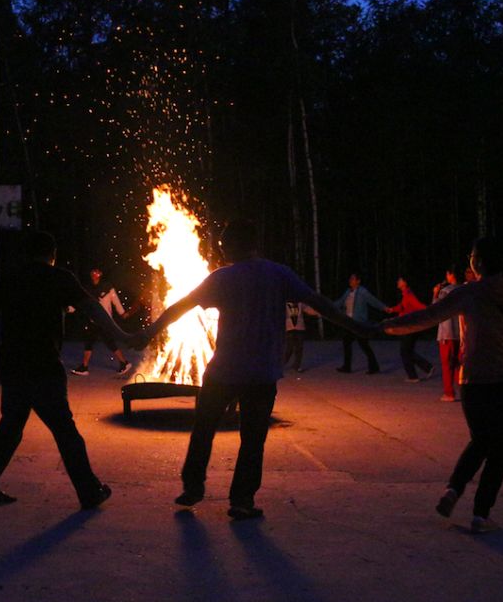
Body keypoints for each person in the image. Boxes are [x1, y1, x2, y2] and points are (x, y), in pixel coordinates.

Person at [141, 220, 375, 520]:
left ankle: (193, 487)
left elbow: (181, 306)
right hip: (261, 373)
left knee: (203, 430)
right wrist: (357, 327)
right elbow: (319, 302)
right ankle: (242, 500)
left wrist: (147, 333)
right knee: (252, 440)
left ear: (228, 247)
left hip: (223, 371)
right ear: (254, 245)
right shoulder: (278, 274)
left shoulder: (222, 277)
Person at [373, 239, 503, 533]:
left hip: (475, 382)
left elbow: (426, 317)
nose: (470, 260)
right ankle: (480, 514)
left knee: (481, 441)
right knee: (500, 450)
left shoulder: (467, 294)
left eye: (472, 256)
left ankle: (453, 489)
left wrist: (385, 327)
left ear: (480, 262)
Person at [0, 231, 140, 509]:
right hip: (43, 365)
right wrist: (125, 335)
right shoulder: (60, 278)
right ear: (53, 254)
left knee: (11, 427)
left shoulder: (12, 278)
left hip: (12, 364)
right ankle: (89, 492)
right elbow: (94, 310)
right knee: (65, 431)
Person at [71, 267, 133, 376]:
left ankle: (124, 363)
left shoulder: (107, 287)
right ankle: (84, 367)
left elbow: (115, 300)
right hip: (93, 320)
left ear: (101, 273)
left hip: (104, 320)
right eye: (92, 271)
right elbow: (80, 301)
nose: (94, 274)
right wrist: (70, 309)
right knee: (89, 341)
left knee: (108, 342)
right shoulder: (87, 288)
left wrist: (122, 312)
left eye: (97, 272)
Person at [333, 273, 386, 374]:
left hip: (359, 323)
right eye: (350, 278)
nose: (350, 280)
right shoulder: (348, 292)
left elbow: (373, 301)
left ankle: (374, 367)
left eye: (353, 279)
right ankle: (347, 367)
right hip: (349, 323)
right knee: (347, 343)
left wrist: (384, 307)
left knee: (364, 345)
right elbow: (339, 302)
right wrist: (327, 307)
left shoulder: (363, 292)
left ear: (358, 281)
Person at [386, 277, 434, 382]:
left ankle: (413, 376)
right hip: (408, 327)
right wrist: (392, 309)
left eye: (400, 280)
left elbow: (420, 306)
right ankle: (427, 367)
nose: (398, 282)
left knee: (404, 351)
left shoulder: (409, 295)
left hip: (410, 328)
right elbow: (402, 306)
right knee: (407, 351)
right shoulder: (406, 295)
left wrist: (431, 311)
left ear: (405, 283)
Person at [432, 266, 462, 402]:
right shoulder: (464, 290)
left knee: (447, 364)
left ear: (450, 275)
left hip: (447, 332)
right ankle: (463, 390)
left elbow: (435, 310)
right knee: (458, 363)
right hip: (460, 332)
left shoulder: (445, 291)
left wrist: (435, 293)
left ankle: (449, 393)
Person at [284, 301, 317, 372]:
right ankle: (280, 365)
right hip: (289, 328)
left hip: (300, 328)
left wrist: (318, 312)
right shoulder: (285, 305)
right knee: (289, 348)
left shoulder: (300, 303)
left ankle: (297, 365)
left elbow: (309, 310)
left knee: (299, 348)